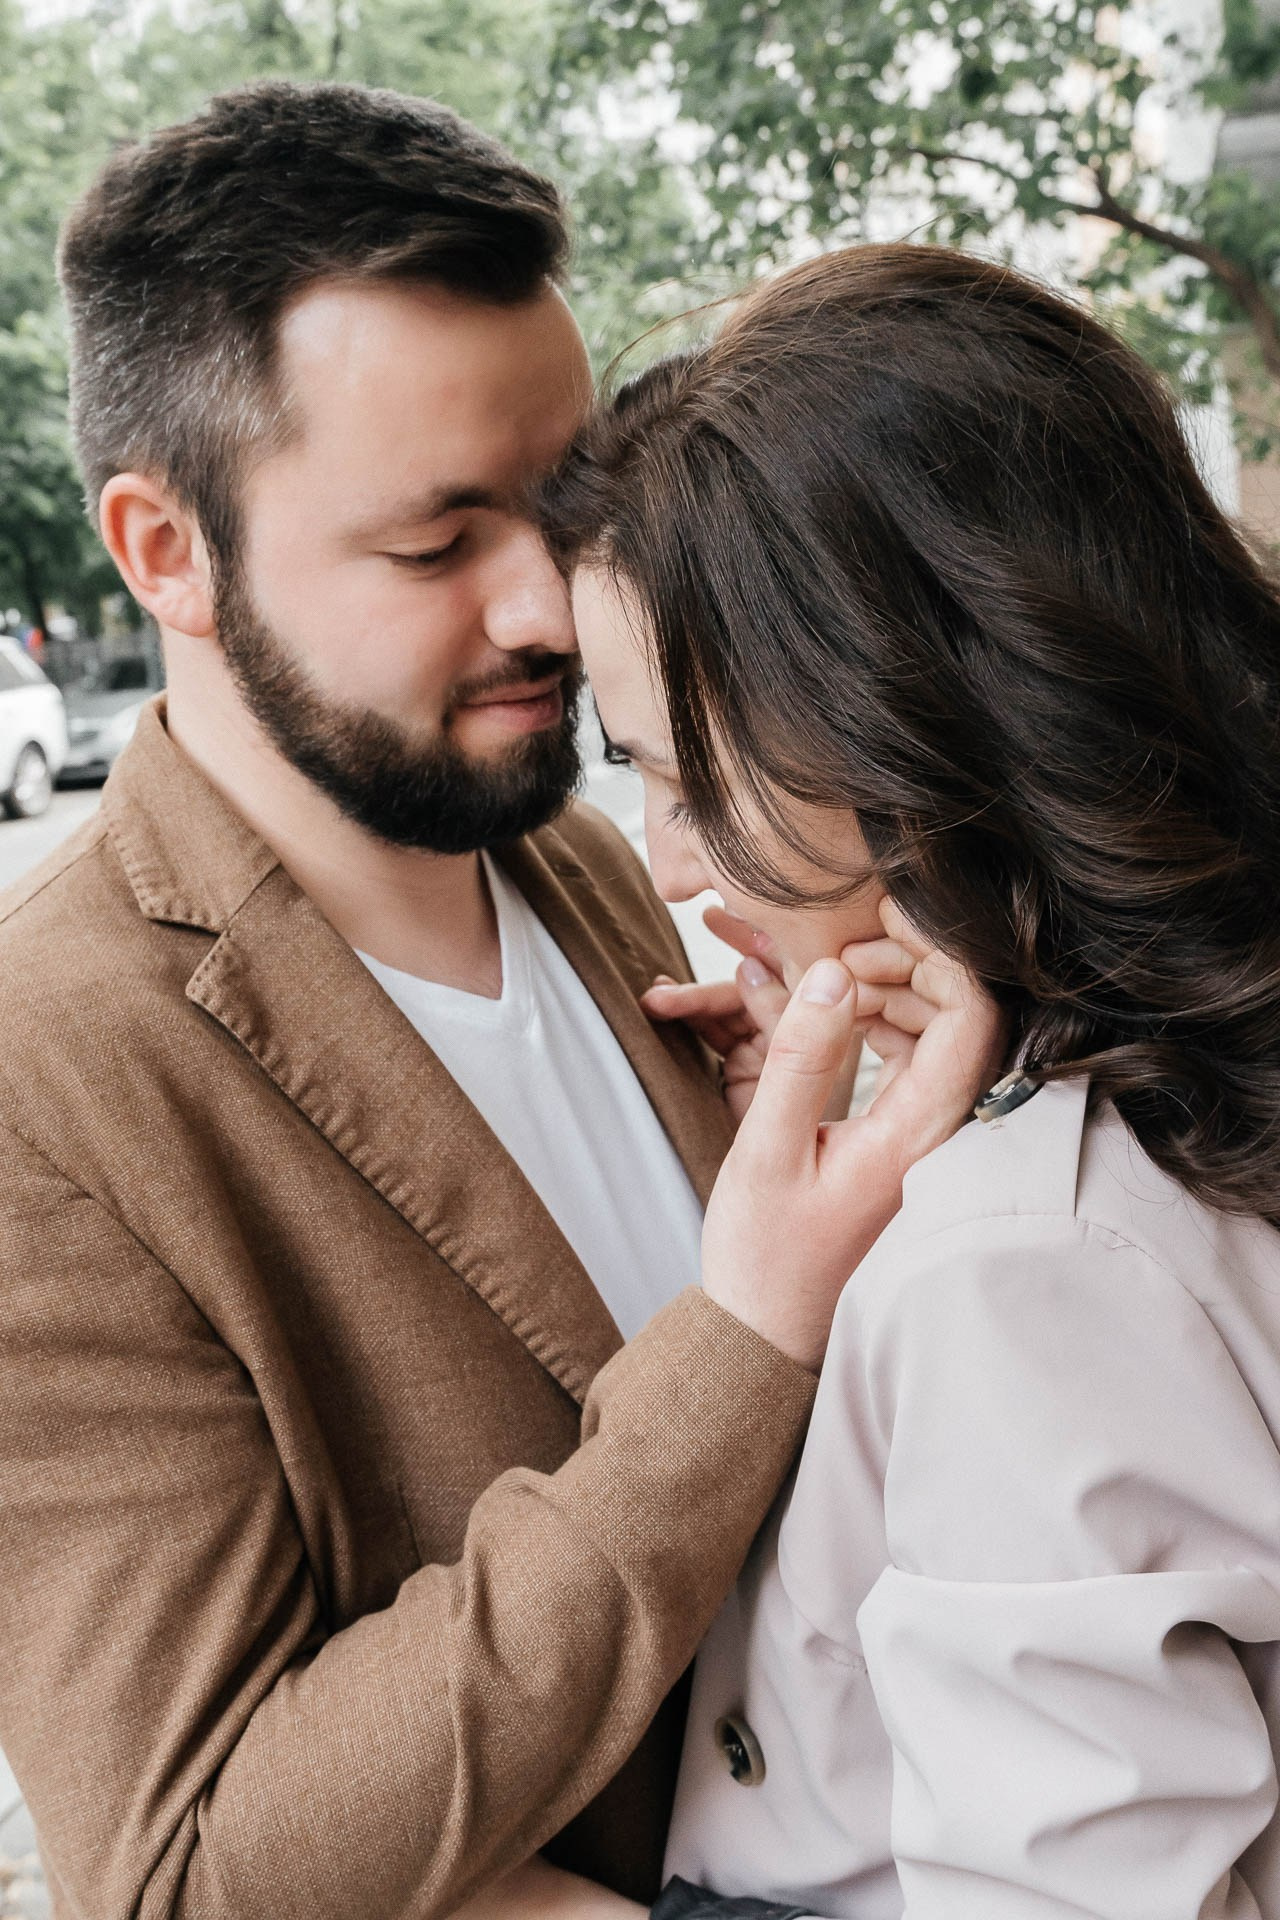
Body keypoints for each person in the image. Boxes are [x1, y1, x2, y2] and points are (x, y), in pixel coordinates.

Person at [0, 91, 997, 1920]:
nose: (550, 604)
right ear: (167, 553)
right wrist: (749, 1328)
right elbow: (191, 1869)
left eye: (558, 506)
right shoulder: (48, 1074)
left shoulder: (593, 865)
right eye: (438, 541)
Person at [537, 242, 1280, 1918]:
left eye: (672, 767)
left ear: (886, 719)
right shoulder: (1166, 1077)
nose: (662, 857)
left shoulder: (1021, 1263)